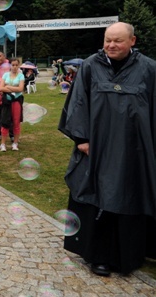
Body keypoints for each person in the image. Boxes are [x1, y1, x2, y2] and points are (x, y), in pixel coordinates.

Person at [59, 22, 156, 277]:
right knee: (97, 197)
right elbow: (78, 101)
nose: (111, 45)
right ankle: (98, 256)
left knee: (130, 195)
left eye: (118, 41)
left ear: (132, 41)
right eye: (107, 40)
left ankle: (129, 256)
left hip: (133, 150)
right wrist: (81, 138)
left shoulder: (149, 69)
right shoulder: (91, 65)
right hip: (96, 148)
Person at [0, 58, 25, 152]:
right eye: (12, 65)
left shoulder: (21, 76)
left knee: (16, 122)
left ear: (18, 66)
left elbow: (20, 89)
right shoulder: (6, 75)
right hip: (7, 102)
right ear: (10, 65)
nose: (14, 67)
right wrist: (13, 88)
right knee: (5, 121)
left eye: (16, 65)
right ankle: (3, 144)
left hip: (17, 101)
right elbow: (1, 88)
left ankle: (15, 143)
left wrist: (8, 87)